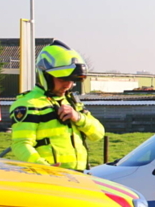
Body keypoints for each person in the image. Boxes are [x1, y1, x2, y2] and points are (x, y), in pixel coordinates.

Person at [9, 40, 105, 172]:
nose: (67, 85)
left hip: (79, 176)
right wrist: (42, 166)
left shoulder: (72, 102)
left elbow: (98, 134)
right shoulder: (28, 104)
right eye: (62, 79)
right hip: (47, 177)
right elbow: (21, 144)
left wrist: (78, 118)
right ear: (46, 76)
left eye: (71, 80)